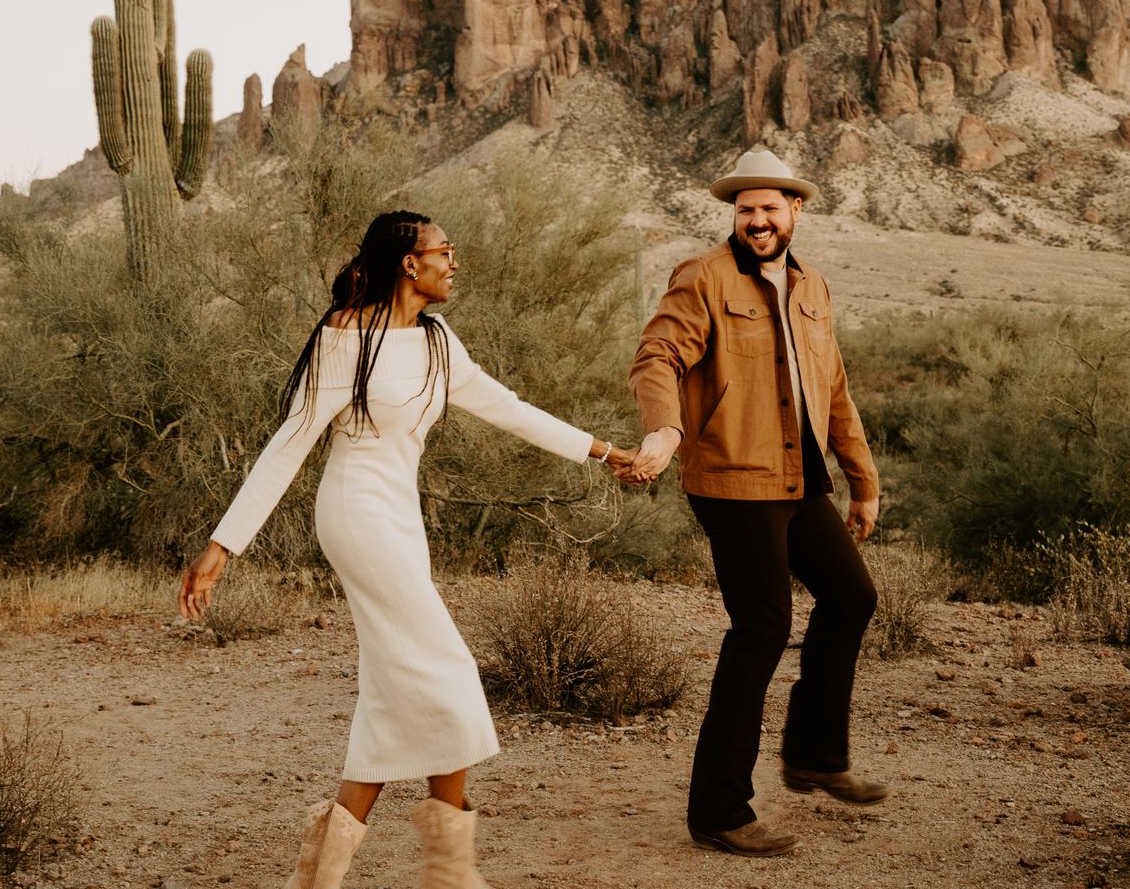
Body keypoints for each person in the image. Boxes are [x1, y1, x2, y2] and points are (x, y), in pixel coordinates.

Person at [179, 210, 637, 889]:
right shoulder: (346, 337)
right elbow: (290, 445)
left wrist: (604, 452)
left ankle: (318, 876)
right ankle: (450, 875)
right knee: (446, 671)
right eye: (444, 251)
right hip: (355, 514)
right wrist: (223, 547)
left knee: (395, 692)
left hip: (397, 518)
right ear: (408, 263)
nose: (456, 263)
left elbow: (508, 407)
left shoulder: (438, 341)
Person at [626, 146, 884, 858]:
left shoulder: (812, 289)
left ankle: (813, 755)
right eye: (746, 210)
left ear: (796, 211)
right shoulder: (703, 277)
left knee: (851, 597)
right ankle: (718, 809)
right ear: (733, 217)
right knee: (763, 627)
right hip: (734, 480)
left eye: (770, 208)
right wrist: (665, 429)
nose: (758, 220)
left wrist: (862, 481)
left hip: (801, 480)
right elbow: (657, 356)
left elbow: (833, 390)